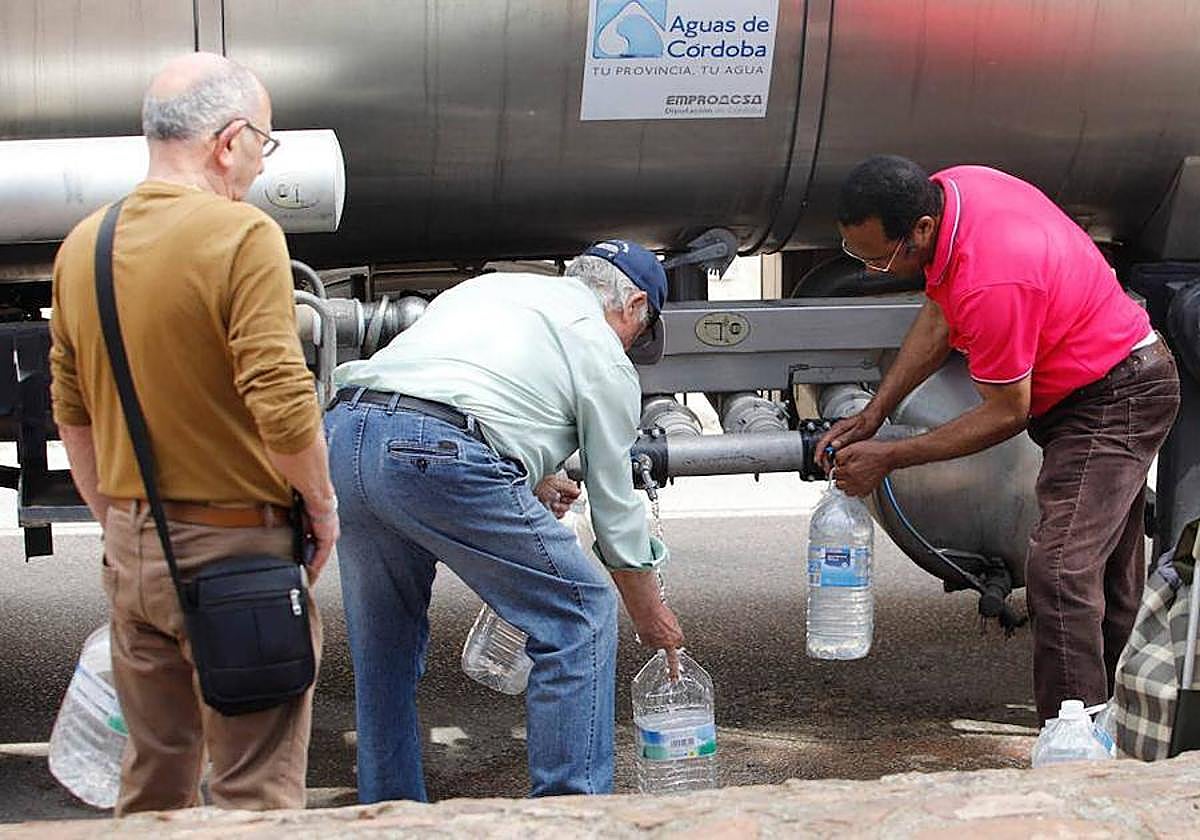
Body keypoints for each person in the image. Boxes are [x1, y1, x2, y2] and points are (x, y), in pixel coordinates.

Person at [50, 53, 339, 813]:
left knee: (153, 781)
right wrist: (322, 504)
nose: (258, 161)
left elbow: (71, 413)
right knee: (255, 791)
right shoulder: (243, 236)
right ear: (229, 139)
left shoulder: (85, 244)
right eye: (263, 144)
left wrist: (121, 524)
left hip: (134, 554)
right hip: (237, 553)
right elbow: (279, 399)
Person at [820, 155, 1180, 725]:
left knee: (1059, 572)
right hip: (1109, 378)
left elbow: (1005, 413)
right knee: (1106, 577)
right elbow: (939, 314)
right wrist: (875, 412)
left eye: (881, 258)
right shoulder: (956, 191)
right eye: (855, 256)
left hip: (1114, 398)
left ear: (921, 229)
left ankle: (1073, 745)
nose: (875, 270)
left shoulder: (993, 277)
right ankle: (1129, 728)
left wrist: (890, 457)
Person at [328, 239, 685, 802]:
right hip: (434, 452)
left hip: (348, 431)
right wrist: (650, 614)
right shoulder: (602, 350)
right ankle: (572, 817)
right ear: (634, 303)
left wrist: (530, 476)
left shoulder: (494, 288)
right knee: (581, 611)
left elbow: (457, 388)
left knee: (384, 648)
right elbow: (616, 511)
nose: (633, 345)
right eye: (641, 333)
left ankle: (390, 813)